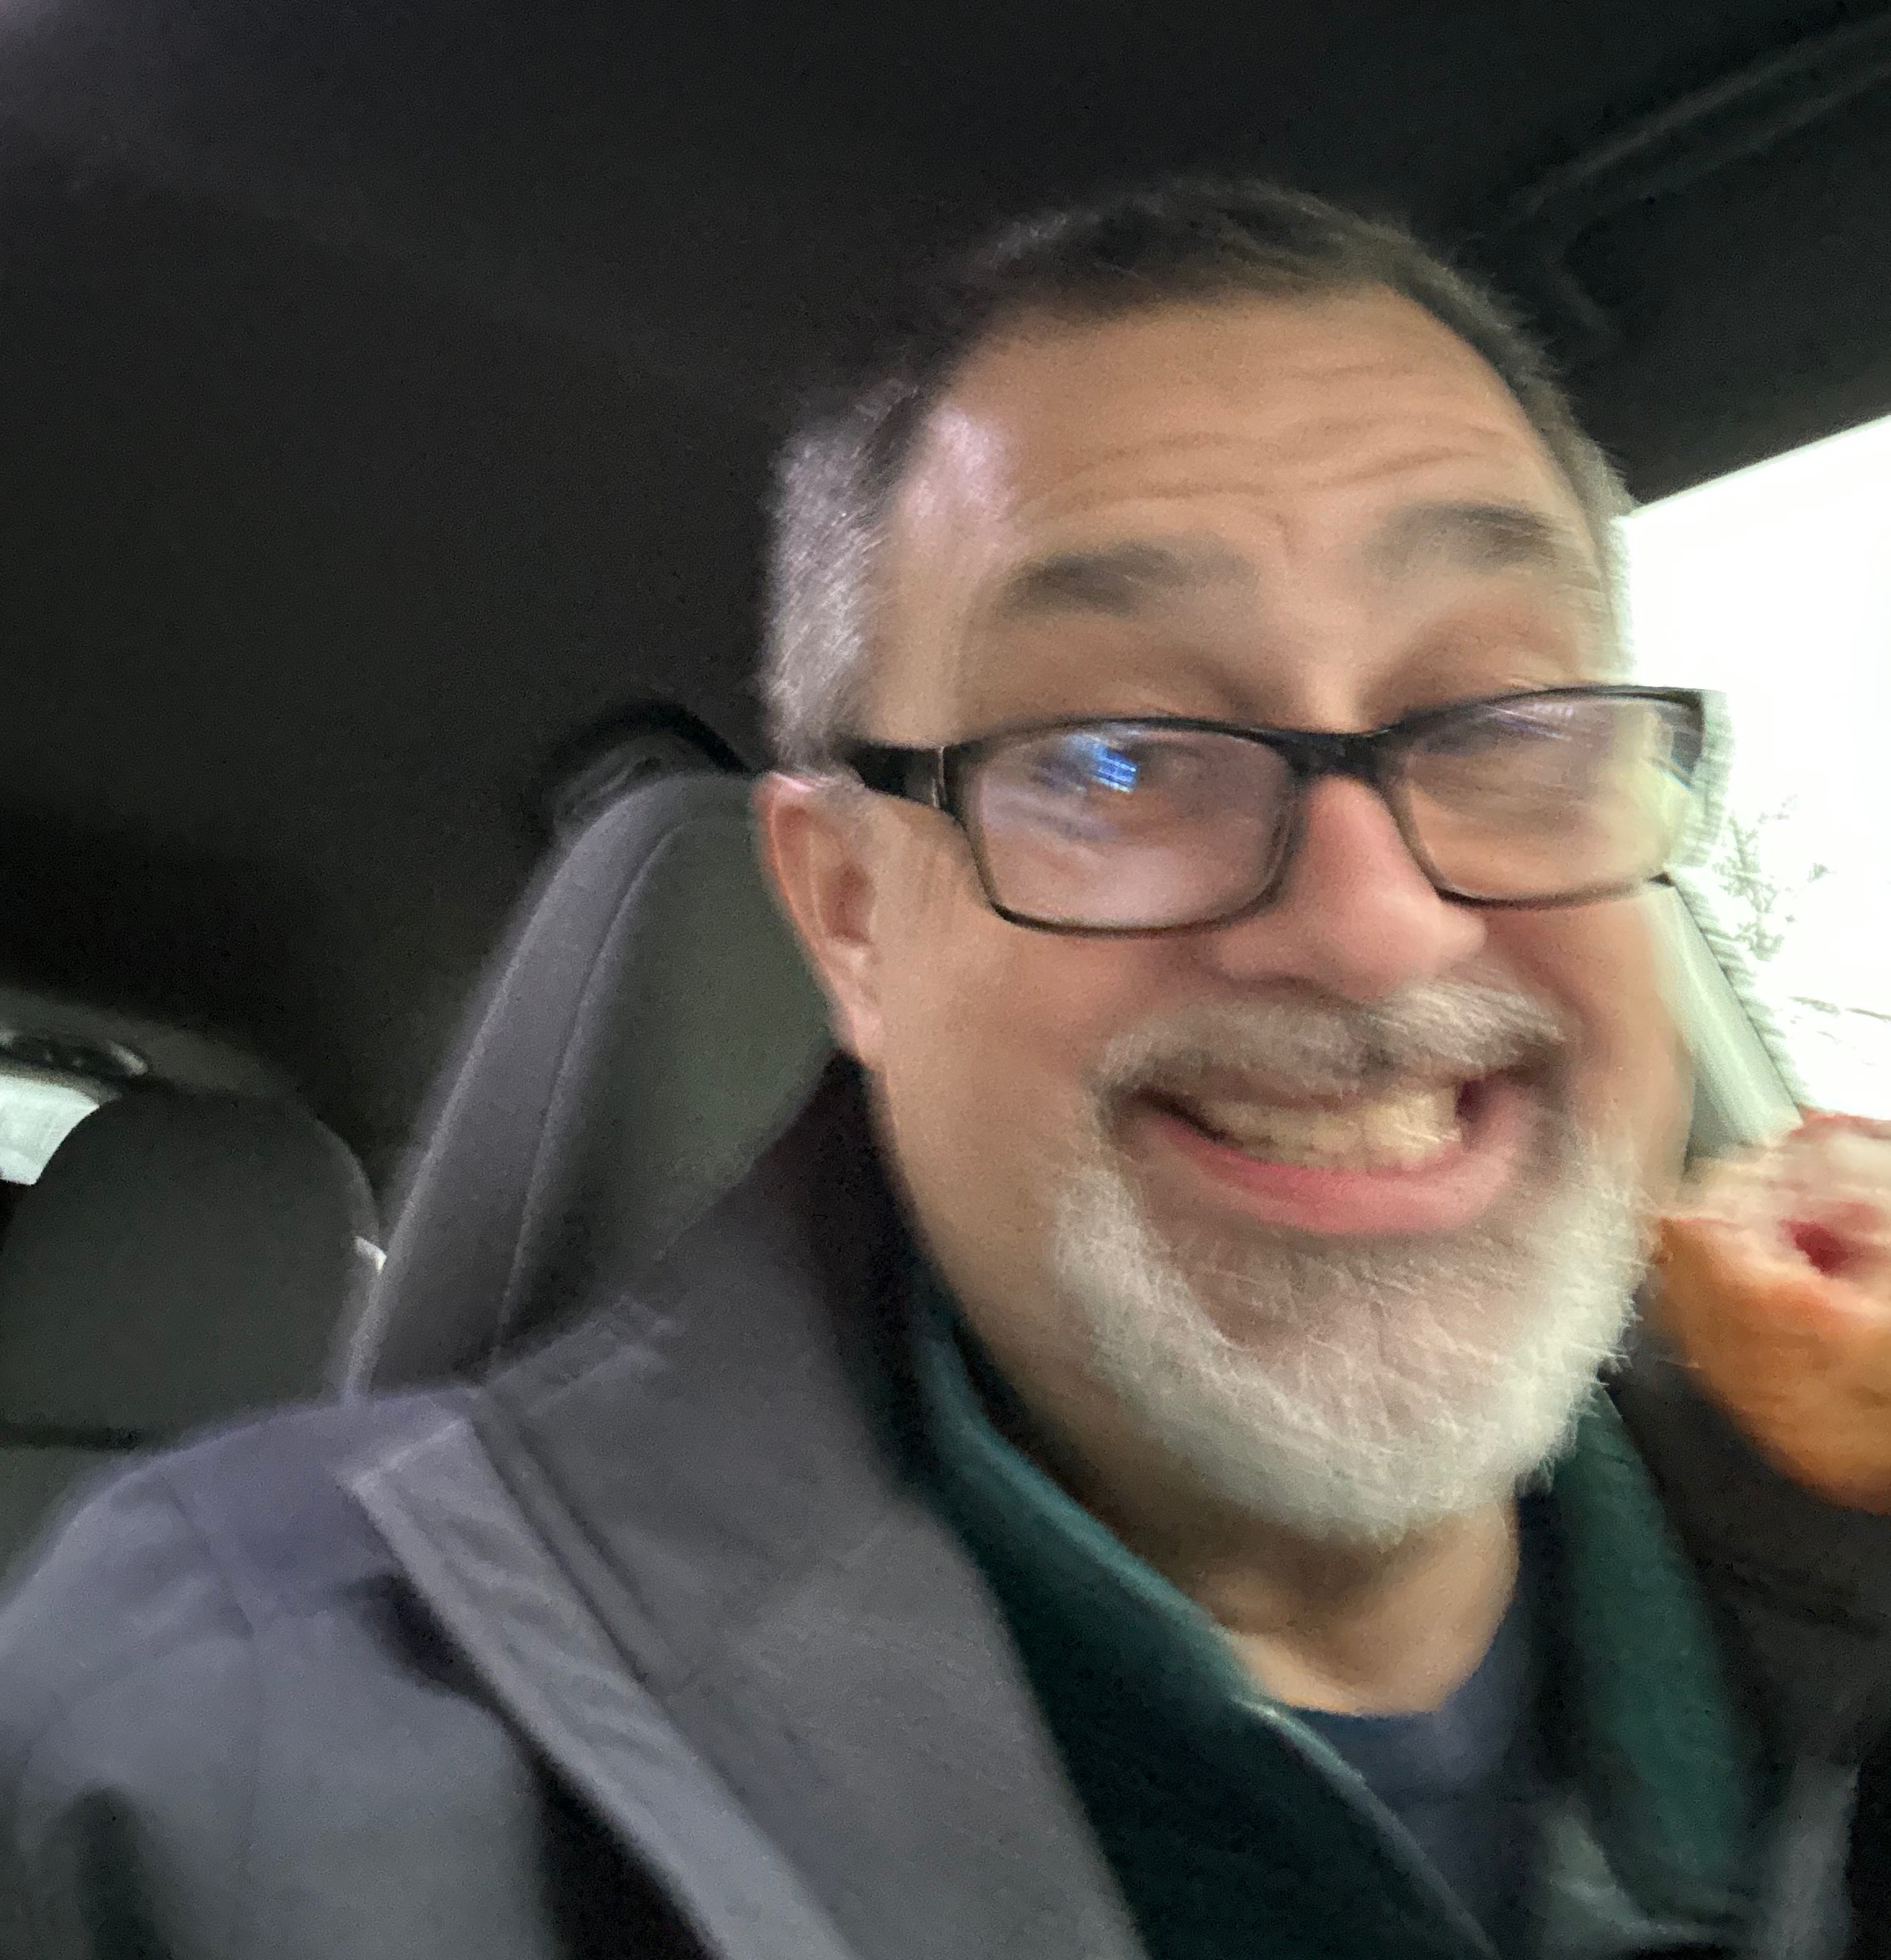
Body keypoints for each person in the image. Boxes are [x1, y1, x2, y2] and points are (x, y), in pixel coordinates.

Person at [1, 176, 1887, 1960]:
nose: (1374, 924)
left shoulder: (1845, 1558)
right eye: (1112, 757)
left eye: (1502, 720)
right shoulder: (217, 1754)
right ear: (848, 918)